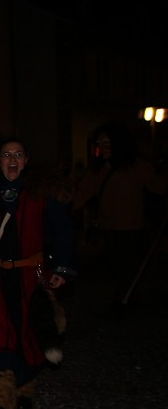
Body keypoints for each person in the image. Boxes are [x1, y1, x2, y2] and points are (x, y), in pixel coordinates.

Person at [0, 138, 75, 409]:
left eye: (19, 155)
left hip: (30, 276)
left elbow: (63, 231)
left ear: (26, 160)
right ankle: (0, 402)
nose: (13, 160)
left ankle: (25, 386)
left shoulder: (41, 194)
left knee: (30, 332)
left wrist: (62, 266)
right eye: (7, 155)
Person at [73, 122, 163, 312]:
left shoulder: (137, 167)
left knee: (129, 267)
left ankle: (128, 301)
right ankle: (124, 300)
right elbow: (82, 193)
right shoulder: (100, 169)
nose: (102, 147)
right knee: (117, 267)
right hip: (108, 227)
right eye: (100, 143)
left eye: (107, 142)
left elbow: (159, 186)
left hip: (131, 228)